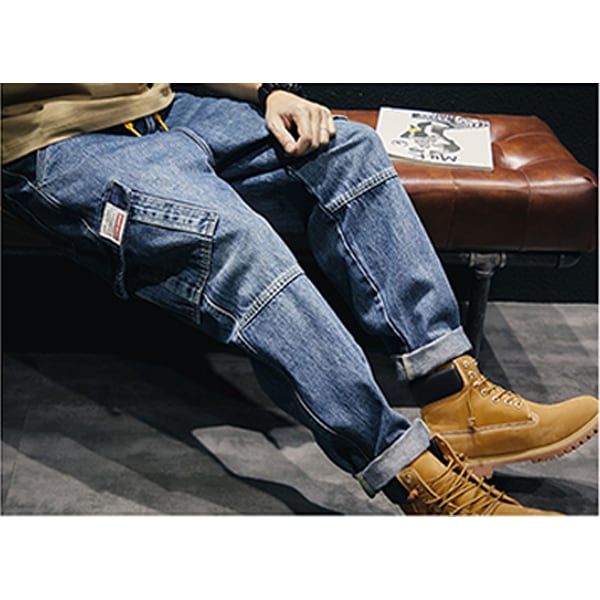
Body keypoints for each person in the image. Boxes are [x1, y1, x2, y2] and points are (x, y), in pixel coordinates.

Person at [2, 83, 597, 516]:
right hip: (53, 142)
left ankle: (454, 393)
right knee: (235, 239)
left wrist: (269, 91)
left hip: (165, 109)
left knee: (347, 147)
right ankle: (416, 477)